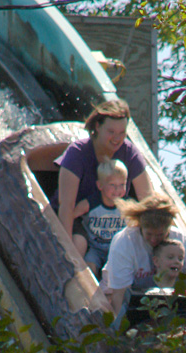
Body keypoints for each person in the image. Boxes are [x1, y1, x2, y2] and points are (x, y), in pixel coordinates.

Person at [53, 98, 152, 257]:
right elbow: (66, 204)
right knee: (78, 244)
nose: (117, 138)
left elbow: (147, 199)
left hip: (113, 221)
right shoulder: (77, 153)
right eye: (111, 132)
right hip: (79, 218)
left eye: (122, 133)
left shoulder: (129, 153)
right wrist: (67, 250)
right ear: (98, 127)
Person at [101, 192, 186, 315]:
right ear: (140, 226)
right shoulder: (124, 242)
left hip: (163, 300)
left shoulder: (181, 240)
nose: (154, 239)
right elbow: (119, 296)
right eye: (149, 234)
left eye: (160, 235)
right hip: (116, 295)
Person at [73, 158, 127, 278]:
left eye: (122, 185)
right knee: (89, 271)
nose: (117, 190)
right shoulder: (90, 204)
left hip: (116, 250)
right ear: (100, 185)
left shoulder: (127, 206)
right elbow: (71, 216)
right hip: (95, 248)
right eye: (112, 185)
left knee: (118, 271)